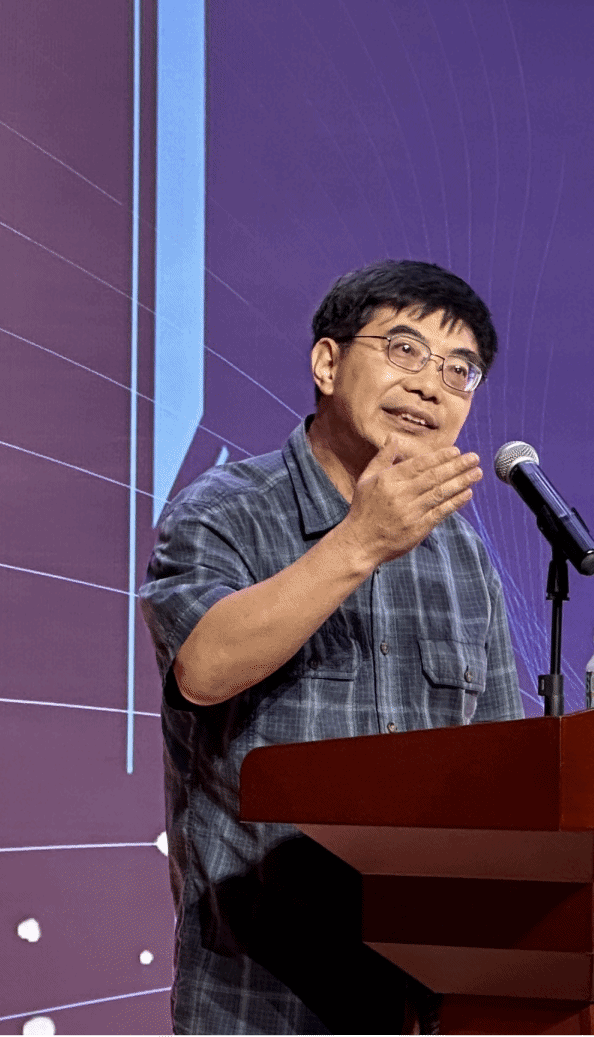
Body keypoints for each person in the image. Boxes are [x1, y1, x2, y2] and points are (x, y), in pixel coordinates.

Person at [140, 259, 523, 1035]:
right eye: (405, 350)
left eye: (459, 370)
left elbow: (504, 764)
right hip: (260, 997)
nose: (431, 385)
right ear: (327, 362)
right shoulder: (224, 513)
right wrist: (361, 541)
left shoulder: (462, 553)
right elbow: (204, 667)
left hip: (425, 996)